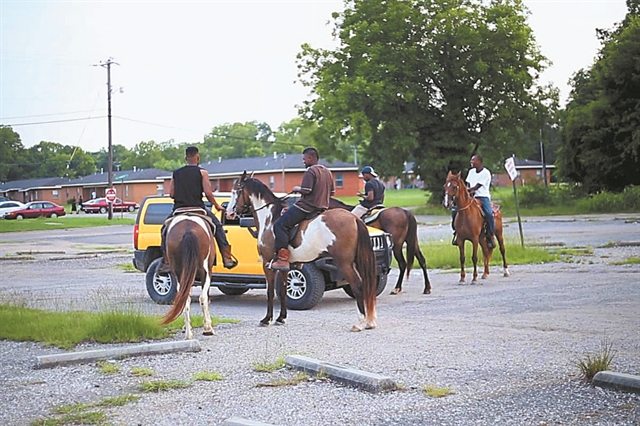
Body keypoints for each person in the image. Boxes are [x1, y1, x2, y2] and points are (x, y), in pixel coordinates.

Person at [159, 146, 237, 272]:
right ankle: (226, 257)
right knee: (217, 227)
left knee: (164, 230)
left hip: (179, 209)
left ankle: (167, 260)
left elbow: (172, 194)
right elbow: (208, 193)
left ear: (186, 158)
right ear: (197, 157)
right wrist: (217, 205)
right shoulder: (202, 173)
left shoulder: (176, 173)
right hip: (198, 208)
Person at [269, 147, 335, 271]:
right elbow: (332, 192)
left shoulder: (310, 171)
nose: (303, 161)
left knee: (280, 225)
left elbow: (307, 190)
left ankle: (282, 259)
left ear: (310, 158)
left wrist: (296, 188)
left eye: (304, 159)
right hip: (322, 208)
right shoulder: (327, 172)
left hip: (307, 207)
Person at [452, 155, 495, 248]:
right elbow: (468, 184)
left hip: (482, 196)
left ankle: (491, 234)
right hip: (471, 196)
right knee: (455, 210)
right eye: (471, 160)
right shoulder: (471, 172)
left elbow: (477, 187)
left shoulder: (486, 173)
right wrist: (466, 191)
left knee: (488, 213)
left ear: (479, 161)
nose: (471, 162)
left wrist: (466, 190)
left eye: (473, 160)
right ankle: (457, 232)